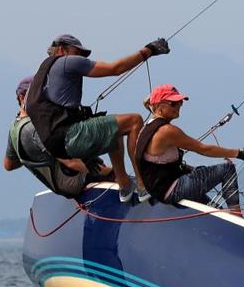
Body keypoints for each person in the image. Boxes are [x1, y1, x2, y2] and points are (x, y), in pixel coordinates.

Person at [25, 34, 170, 202]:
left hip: (55, 144)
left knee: (112, 129)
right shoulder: (66, 62)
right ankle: (143, 184)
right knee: (134, 121)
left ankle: (124, 186)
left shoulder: (41, 75)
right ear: (62, 49)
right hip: (69, 135)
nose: (81, 57)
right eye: (77, 52)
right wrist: (149, 50)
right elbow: (115, 69)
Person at [134, 84, 244, 208]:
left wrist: (191, 169)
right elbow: (204, 149)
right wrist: (240, 153)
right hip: (174, 189)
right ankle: (237, 214)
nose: (178, 106)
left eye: (180, 102)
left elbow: (158, 165)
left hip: (162, 190)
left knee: (216, 211)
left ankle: (228, 220)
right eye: (173, 103)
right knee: (227, 170)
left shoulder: (147, 127)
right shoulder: (166, 131)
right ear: (157, 106)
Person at [4, 76, 111, 198]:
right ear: (22, 98)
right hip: (73, 182)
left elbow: (9, 165)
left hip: (59, 185)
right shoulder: (37, 128)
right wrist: (110, 173)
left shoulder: (14, 128)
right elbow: (72, 163)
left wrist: (35, 155)